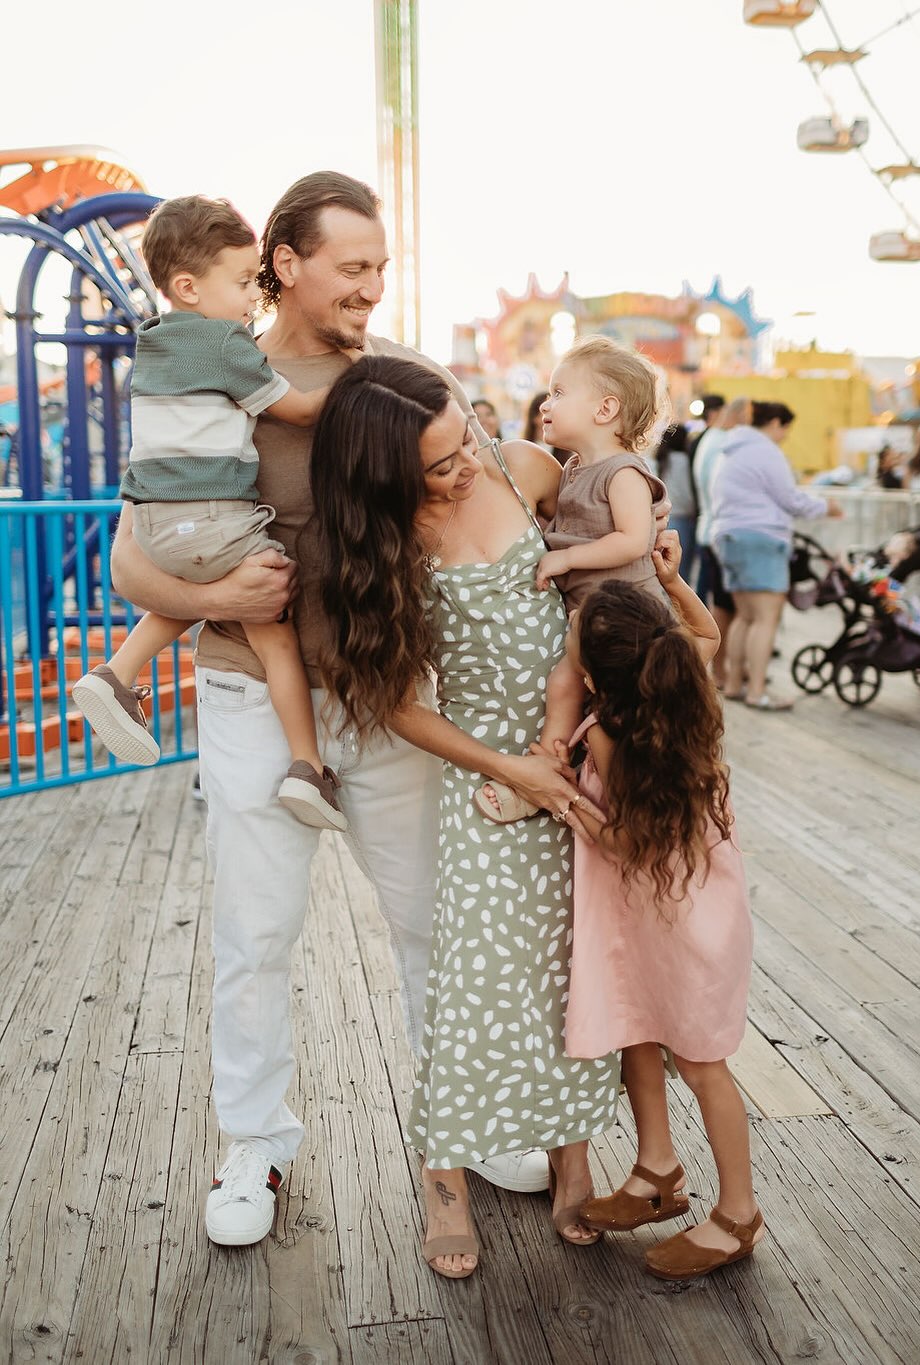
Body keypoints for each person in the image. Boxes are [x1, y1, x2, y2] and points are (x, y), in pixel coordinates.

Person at [109, 172, 557, 1250]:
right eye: (352, 266)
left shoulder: (406, 379)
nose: (370, 286)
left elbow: (498, 489)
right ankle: (254, 1145)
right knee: (255, 935)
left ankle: (467, 1114)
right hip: (250, 695)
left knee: (425, 924)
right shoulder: (210, 365)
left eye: (381, 268)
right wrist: (214, 598)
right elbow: (132, 557)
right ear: (286, 261)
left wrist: (618, 519)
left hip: (387, 693)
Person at [309, 354, 621, 1279]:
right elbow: (401, 702)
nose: (467, 469)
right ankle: (444, 1177)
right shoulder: (383, 543)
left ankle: (574, 1158)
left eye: (467, 441)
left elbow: (596, 576)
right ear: (385, 473)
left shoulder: (527, 471)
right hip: (485, 768)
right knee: (473, 975)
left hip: (580, 755)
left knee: (574, 967)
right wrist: (507, 768)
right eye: (441, 463)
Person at [72, 196, 345, 831]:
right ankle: (308, 767)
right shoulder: (224, 342)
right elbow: (301, 411)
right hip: (215, 516)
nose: (256, 295)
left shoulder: (154, 344)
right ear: (190, 286)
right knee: (272, 618)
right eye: (245, 281)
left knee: (200, 588)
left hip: (157, 526)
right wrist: (357, 380)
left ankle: (118, 672)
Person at [558, 578, 761, 1280]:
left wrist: (565, 801)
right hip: (674, 910)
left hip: (677, 917)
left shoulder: (611, 732)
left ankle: (738, 1214)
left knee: (703, 1063)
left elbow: (622, 842)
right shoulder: (682, 691)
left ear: (591, 674)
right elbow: (705, 632)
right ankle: (657, 1170)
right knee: (638, 1030)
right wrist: (674, 581)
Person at [475, 334, 668, 823]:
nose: (546, 403)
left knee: (622, 711)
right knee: (565, 686)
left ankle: (626, 790)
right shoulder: (576, 469)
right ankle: (550, 768)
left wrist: (565, 560)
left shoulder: (622, 472)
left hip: (630, 622)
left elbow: (631, 540)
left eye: (560, 393)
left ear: (605, 410)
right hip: (592, 621)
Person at [712, 401, 841, 710]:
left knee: (745, 616)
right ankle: (757, 691)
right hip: (761, 537)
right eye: (784, 428)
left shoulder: (732, 450)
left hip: (728, 536)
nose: (784, 435)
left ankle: (733, 684)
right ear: (773, 424)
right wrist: (827, 507)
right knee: (766, 618)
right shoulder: (766, 452)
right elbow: (791, 499)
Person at [694, 397, 750, 688]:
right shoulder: (722, 444)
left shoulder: (712, 440)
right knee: (725, 606)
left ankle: (723, 669)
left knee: (720, 603)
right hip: (720, 532)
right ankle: (721, 671)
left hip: (710, 529)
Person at [653, 422, 698, 585]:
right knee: (681, 570)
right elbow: (687, 493)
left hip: (661, 519)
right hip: (683, 517)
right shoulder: (684, 461)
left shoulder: (659, 460)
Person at [524, 389, 571, 464]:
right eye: (544, 411)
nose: (550, 413)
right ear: (534, 416)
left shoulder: (567, 454)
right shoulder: (523, 450)